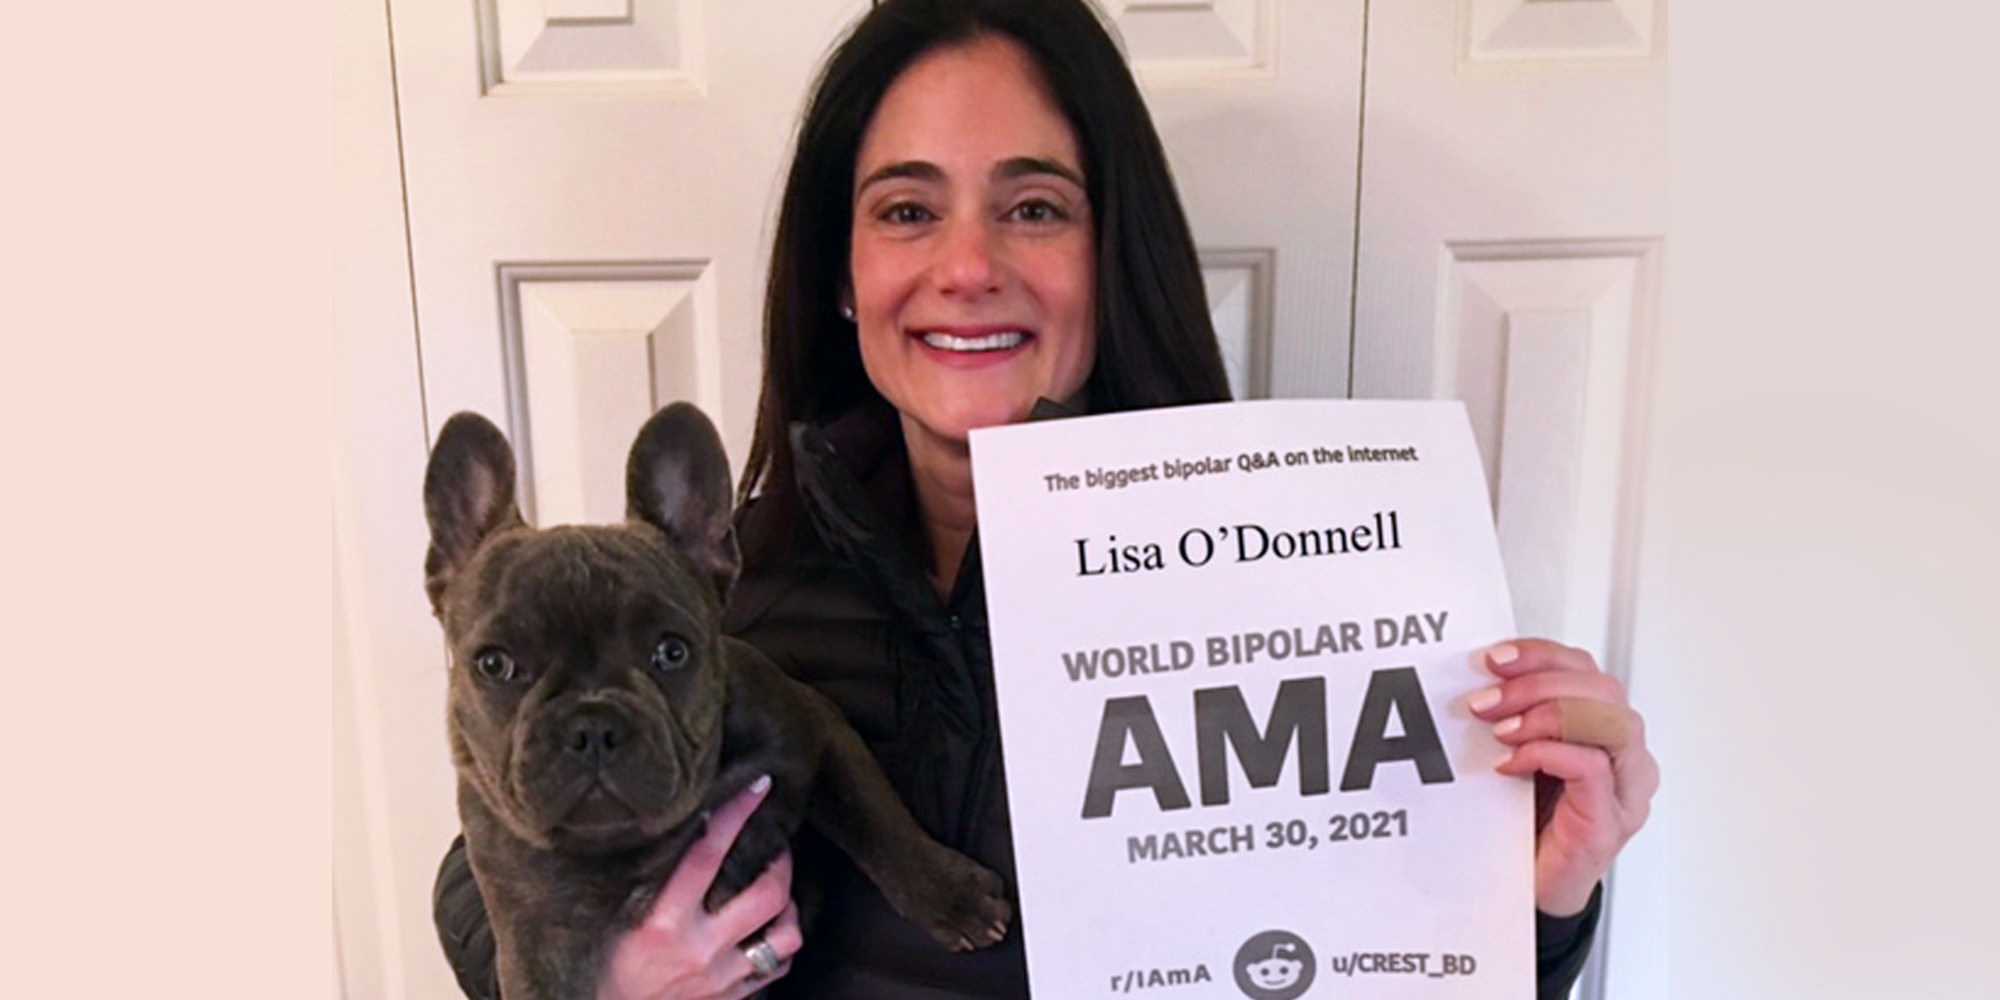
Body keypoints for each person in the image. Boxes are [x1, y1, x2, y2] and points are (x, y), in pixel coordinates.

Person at [432, 1, 1660, 998]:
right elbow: (479, 871)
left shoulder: (1295, 577)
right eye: (907, 210)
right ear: (844, 277)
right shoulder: (727, 586)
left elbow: (1383, 971)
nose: (967, 268)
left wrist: (1537, 898)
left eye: (1032, 208)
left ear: (1106, 257)